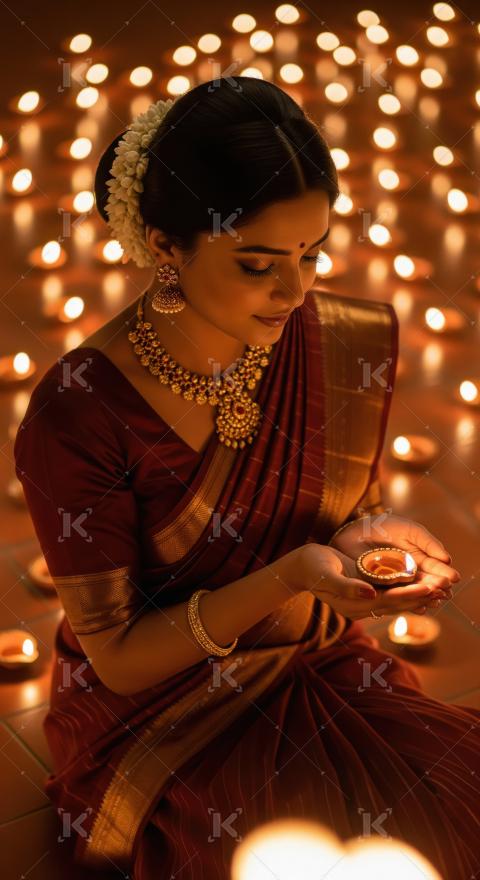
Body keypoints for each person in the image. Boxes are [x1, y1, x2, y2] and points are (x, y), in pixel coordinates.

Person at [14, 76, 479, 879]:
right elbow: (119, 657)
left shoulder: (335, 340)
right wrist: (287, 579)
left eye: (310, 253)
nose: (295, 290)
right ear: (166, 246)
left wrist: (369, 535)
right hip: (160, 713)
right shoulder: (80, 410)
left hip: (315, 654)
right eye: (259, 262)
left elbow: (341, 508)